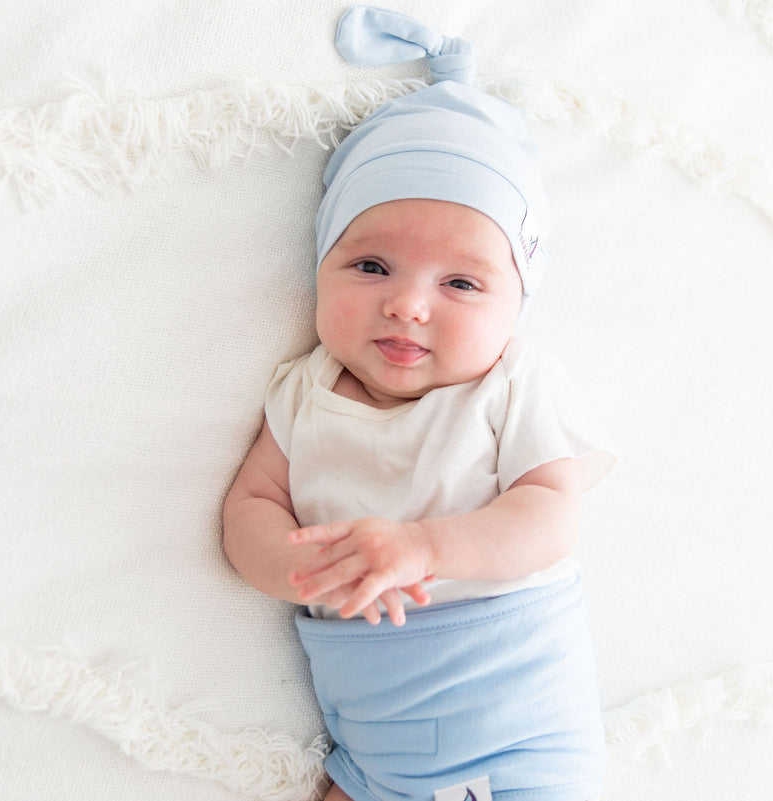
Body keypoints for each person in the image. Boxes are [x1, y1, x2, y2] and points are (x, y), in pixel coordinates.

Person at [222, 8, 614, 801]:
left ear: (517, 305)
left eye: (461, 283)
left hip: (518, 717)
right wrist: (300, 566)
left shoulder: (509, 380)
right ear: (320, 265)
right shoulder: (303, 390)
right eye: (370, 266)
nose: (408, 305)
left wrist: (425, 548)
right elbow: (250, 505)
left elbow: (551, 513)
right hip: (375, 733)